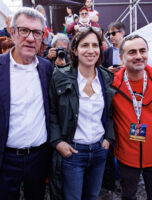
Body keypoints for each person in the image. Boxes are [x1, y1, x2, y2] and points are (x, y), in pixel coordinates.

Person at [0, 7, 53, 200]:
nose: (30, 38)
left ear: (42, 37)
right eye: (23, 30)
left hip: (38, 159)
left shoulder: (46, 68)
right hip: (2, 161)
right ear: (12, 32)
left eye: (36, 32)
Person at [49, 27, 115, 200]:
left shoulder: (107, 77)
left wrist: (109, 138)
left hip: (100, 149)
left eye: (95, 45)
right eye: (85, 45)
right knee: (73, 197)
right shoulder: (60, 76)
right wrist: (57, 142)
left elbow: (110, 112)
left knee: (92, 196)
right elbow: (52, 111)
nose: (91, 50)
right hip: (73, 152)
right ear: (75, 50)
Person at [112, 34, 152, 200]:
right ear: (121, 57)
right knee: (128, 196)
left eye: (143, 51)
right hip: (126, 157)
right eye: (132, 52)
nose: (139, 56)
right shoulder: (112, 84)